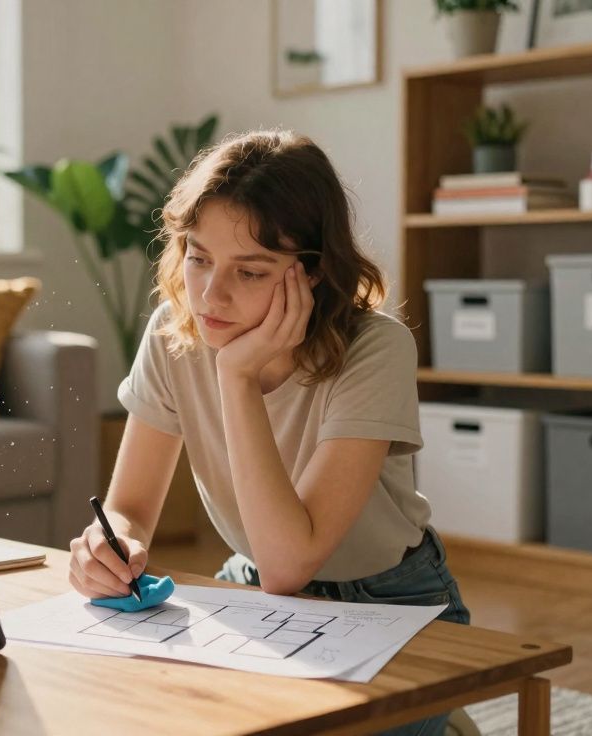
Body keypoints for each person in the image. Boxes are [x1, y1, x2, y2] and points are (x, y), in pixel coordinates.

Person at [68, 129, 470, 736]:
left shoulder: (376, 349)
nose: (210, 294)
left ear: (313, 272)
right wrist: (108, 547)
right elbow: (129, 509)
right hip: (255, 588)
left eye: (250, 272)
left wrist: (236, 376)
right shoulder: (175, 333)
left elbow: (290, 563)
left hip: (391, 602)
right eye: (198, 257)